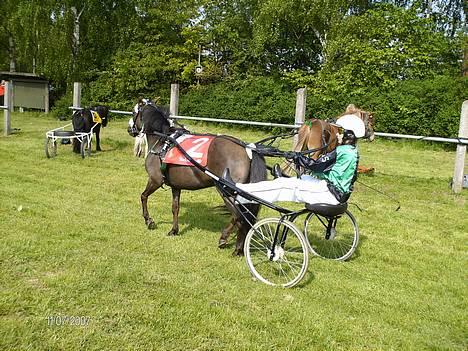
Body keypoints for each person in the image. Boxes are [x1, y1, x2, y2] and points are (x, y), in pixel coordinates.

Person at [231, 114, 365, 205]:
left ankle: (239, 193)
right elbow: (331, 172)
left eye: (341, 132)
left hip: (329, 194)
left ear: (348, 135)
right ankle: (281, 179)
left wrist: (297, 157)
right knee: (302, 179)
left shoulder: (341, 151)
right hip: (338, 193)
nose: (338, 134)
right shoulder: (353, 152)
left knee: (283, 186)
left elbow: (315, 165)